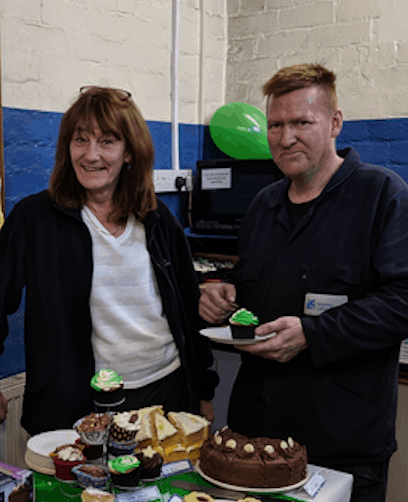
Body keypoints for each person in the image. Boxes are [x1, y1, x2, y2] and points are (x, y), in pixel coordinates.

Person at [198, 64, 408, 502]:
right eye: (276, 124)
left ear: (334, 123)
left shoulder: (383, 196)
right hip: (256, 435)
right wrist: (225, 292)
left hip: (342, 439)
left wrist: (313, 335)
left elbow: (403, 299)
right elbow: (254, 288)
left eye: (301, 122)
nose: (285, 136)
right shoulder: (262, 205)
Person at [0, 86, 219, 436]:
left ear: (129, 151)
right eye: (80, 140)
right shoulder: (35, 218)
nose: (91, 154)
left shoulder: (157, 218)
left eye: (107, 142)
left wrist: (204, 390)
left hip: (165, 389)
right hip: (79, 402)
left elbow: (189, 308)